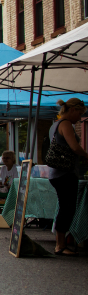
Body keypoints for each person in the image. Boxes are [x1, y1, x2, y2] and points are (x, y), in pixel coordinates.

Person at [47, 98, 88, 256]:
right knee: (67, 207)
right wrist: (86, 155)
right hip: (65, 173)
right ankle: (60, 245)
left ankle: (61, 242)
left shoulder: (55, 125)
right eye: (79, 113)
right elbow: (75, 147)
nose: (79, 118)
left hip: (57, 173)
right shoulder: (65, 124)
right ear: (72, 110)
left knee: (66, 207)